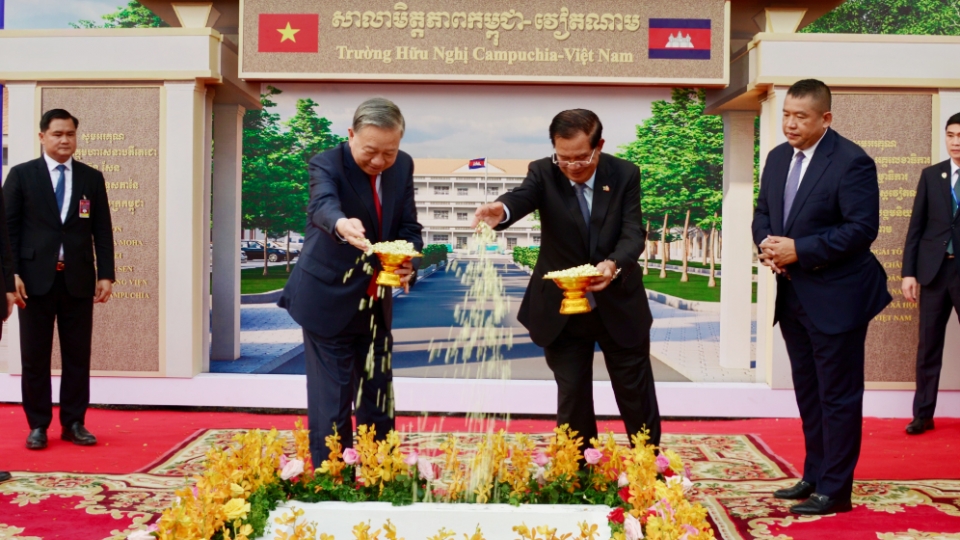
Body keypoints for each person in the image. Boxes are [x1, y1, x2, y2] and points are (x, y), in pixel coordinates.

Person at [473, 109, 661, 451]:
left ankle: (649, 468)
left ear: (599, 146)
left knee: (635, 393)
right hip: (561, 307)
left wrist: (613, 265)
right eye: (564, 158)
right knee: (572, 395)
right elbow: (522, 197)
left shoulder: (624, 174)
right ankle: (578, 472)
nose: (573, 166)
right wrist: (501, 210)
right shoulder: (544, 172)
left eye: (581, 158)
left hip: (617, 300)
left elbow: (633, 233)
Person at [752, 79, 891, 515]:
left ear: (825, 118)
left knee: (838, 395)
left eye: (801, 117)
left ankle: (836, 490)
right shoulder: (776, 158)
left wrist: (800, 249)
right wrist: (768, 246)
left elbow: (861, 229)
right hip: (793, 294)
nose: (790, 124)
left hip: (839, 298)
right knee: (809, 392)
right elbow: (764, 213)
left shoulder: (851, 161)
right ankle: (814, 474)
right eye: (786, 115)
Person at [278, 98, 423, 467]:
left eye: (389, 153)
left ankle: (379, 473)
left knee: (378, 395)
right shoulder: (326, 162)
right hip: (327, 296)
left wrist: (408, 260)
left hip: (375, 299)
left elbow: (408, 225)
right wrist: (342, 225)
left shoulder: (402, 165)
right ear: (351, 135)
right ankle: (331, 483)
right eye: (370, 151)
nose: (379, 162)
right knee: (334, 401)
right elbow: (322, 205)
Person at [4, 109, 115, 451]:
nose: (64, 140)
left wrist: (107, 274)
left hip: (78, 281)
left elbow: (102, 229)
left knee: (77, 356)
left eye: (70, 134)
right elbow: (6, 230)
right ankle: (38, 425)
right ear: (42, 137)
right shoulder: (22, 176)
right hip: (33, 283)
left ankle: (74, 422)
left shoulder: (90, 177)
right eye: (57, 134)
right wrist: (10, 277)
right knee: (34, 358)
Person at [900, 112, 960, 435]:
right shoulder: (931, 175)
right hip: (934, 273)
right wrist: (909, 273)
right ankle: (923, 414)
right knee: (928, 346)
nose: (956, 142)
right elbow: (916, 228)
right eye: (951, 135)